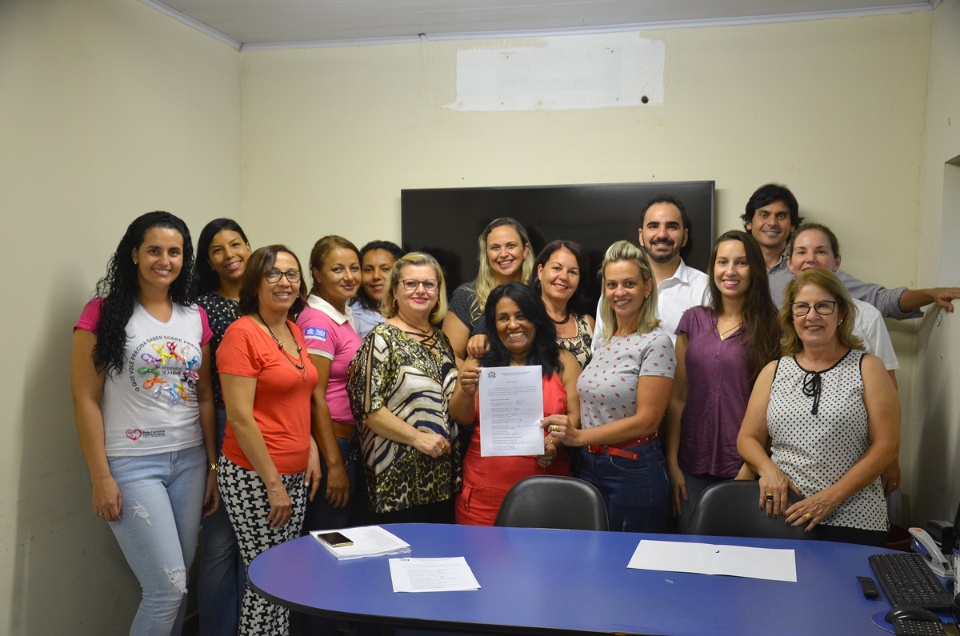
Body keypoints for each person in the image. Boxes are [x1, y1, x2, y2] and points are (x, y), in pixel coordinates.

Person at [71, 211, 219, 635]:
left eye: (175, 252)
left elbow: (204, 395)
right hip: (132, 464)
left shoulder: (194, 316)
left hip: (190, 462)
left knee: (177, 584)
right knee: (167, 589)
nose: (164, 260)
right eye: (154, 250)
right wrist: (100, 476)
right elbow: (84, 398)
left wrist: (210, 467)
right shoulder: (103, 312)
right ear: (134, 253)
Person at [737, 269, 900, 546]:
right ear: (791, 317)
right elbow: (748, 438)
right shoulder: (773, 371)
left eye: (823, 306)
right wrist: (769, 471)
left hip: (853, 515)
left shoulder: (868, 368)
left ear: (842, 314)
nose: (812, 316)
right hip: (782, 514)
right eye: (802, 307)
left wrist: (829, 499)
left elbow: (887, 446)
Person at [216, 245, 321, 636]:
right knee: (267, 583)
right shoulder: (241, 334)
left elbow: (298, 396)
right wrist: (274, 485)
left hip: (291, 472)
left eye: (292, 274)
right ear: (255, 282)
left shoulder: (291, 329)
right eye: (274, 274)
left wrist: (309, 448)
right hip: (255, 476)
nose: (284, 282)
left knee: (283, 581)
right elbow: (241, 419)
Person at [547, 240, 675, 533]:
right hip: (590, 464)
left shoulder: (656, 342)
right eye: (612, 284)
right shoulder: (604, 340)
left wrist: (578, 436)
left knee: (627, 564)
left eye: (629, 283)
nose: (619, 293)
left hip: (633, 469)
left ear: (647, 287)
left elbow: (648, 421)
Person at [665, 231, 780, 532]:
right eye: (722, 262)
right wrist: (673, 462)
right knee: (688, 556)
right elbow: (678, 396)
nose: (730, 271)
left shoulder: (772, 329)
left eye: (741, 263)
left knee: (735, 560)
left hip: (743, 465)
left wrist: (748, 470)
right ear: (712, 267)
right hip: (690, 463)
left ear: (754, 268)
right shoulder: (693, 320)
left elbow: (774, 410)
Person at [450, 282, 581, 525]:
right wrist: (466, 392)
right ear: (493, 324)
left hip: (547, 493)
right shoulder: (477, 363)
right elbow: (460, 417)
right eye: (503, 318)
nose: (513, 325)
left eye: (521, 316)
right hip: (484, 496)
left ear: (536, 319)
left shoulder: (563, 361)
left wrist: (554, 443)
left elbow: (576, 416)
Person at [786, 222, 902, 495]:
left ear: (837, 262)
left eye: (821, 251)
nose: (810, 259)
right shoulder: (785, 317)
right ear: (790, 263)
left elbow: (889, 388)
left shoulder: (866, 315)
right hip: (795, 464)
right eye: (801, 252)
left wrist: (892, 456)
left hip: (855, 459)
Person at [347, 252, 461, 523]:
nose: (420, 290)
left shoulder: (441, 338)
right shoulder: (381, 339)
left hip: (441, 481)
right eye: (411, 284)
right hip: (397, 484)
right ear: (395, 292)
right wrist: (417, 438)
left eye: (429, 284)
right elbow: (367, 410)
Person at [742, 182, 960, 314]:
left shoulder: (812, 269)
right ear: (749, 223)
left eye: (781, 216)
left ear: (792, 226)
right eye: (764, 215)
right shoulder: (733, 268)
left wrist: (930, 294)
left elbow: (879, 300)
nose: (772, 223)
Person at [193, 218, 251, 636]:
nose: (230, 255)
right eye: (218, 249)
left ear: (249, 247)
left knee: (256, 544)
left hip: (269, 425)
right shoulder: (204, 307)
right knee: (218, 543)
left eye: (236, 244)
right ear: (208, 261)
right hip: (225, 422)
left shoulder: (270, 298)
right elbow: (205, 386)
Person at [296, 236, 364, 532]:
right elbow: (313, 396)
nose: (349, 277)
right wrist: (334, 465)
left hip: (348, 441)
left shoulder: (341, 314)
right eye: (338, 269)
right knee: (329, 536)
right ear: (317, 274)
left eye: (354, 268)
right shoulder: (317, 322)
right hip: (333, 443)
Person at [592, 195, 709, 346]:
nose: (662, 234)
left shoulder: (705, 288)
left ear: (685, 237)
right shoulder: (616, 292)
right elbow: (599, 348)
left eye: (671, 226)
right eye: (653, 226)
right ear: (641, 236)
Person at [466, 239, 595, 369]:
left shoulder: (588, 323)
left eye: (572, 272)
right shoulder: (517, 315)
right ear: (540, 271)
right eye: (557, 268)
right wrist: (481, 340)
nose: (564, 277)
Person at [443, 217, 534, 362]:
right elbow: (450, 356)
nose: (503, 254)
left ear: (525, 251)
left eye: (511, 246)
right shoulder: (466, 296)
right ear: (486, 254)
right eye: (495, 247)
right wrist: (472, 378)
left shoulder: (540, 293)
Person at [351, 240, 403, 338]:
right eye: (368, 270)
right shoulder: (352, 319)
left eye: (385, 269)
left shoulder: (413, 310)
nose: (376, 276)